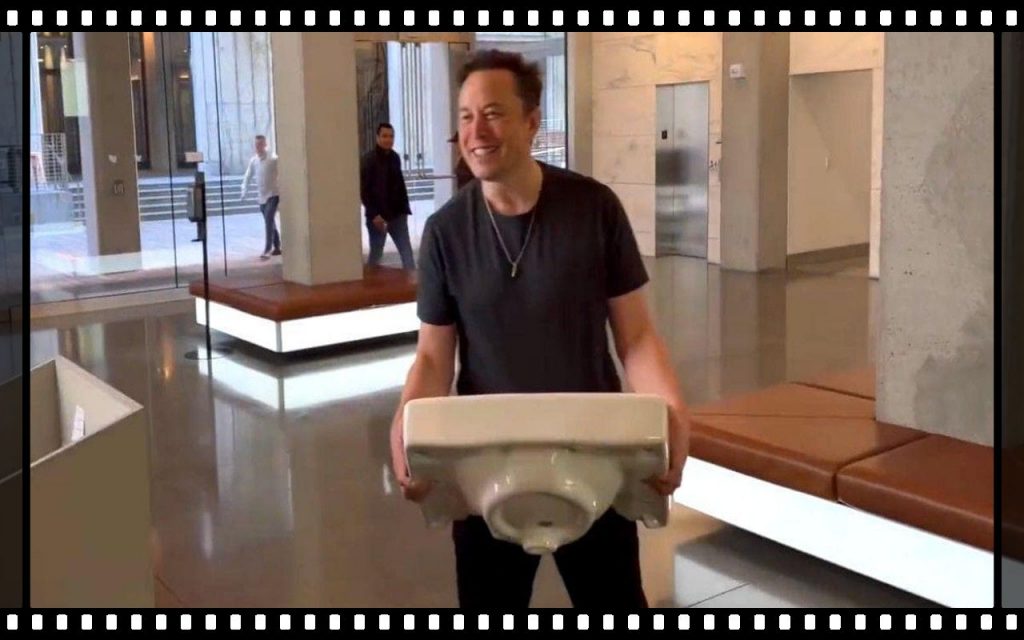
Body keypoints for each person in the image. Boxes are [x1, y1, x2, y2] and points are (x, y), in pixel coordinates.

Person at [388, 49, 692, 610]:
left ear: (532, 122)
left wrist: (672, 410)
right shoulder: (446, 232)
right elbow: (433, 357)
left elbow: (635, 337)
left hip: (594, 450)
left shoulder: (593, 208)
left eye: (493, 114)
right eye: (465, 116)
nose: (476, 131)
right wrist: (405, 420)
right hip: (485, 459)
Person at [360, 123, 416, 270]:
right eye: (384, 136)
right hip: (378, 217)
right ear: (377, 137)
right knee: (376, 255)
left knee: (407, 254)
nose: (388, 140)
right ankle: (371, 283)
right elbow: (364, 190)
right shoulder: (368, 160)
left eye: (391, 136)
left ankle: (411, 283)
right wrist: (374, 214)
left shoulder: (395, 158)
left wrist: (404, 209)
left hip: (397, 215)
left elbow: (399, 186)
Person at [239, 134, 281, 260]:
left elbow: (283, 171)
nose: (258, 147)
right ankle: (277, 246)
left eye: (260, 144)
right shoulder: (254, 161)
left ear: (265, 144)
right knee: (269, 221)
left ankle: (267, 249)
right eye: (256, 145)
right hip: (262, 196)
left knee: (269, 218)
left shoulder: (273, 159)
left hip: (273, 194)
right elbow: (248, 176)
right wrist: (244, 190)